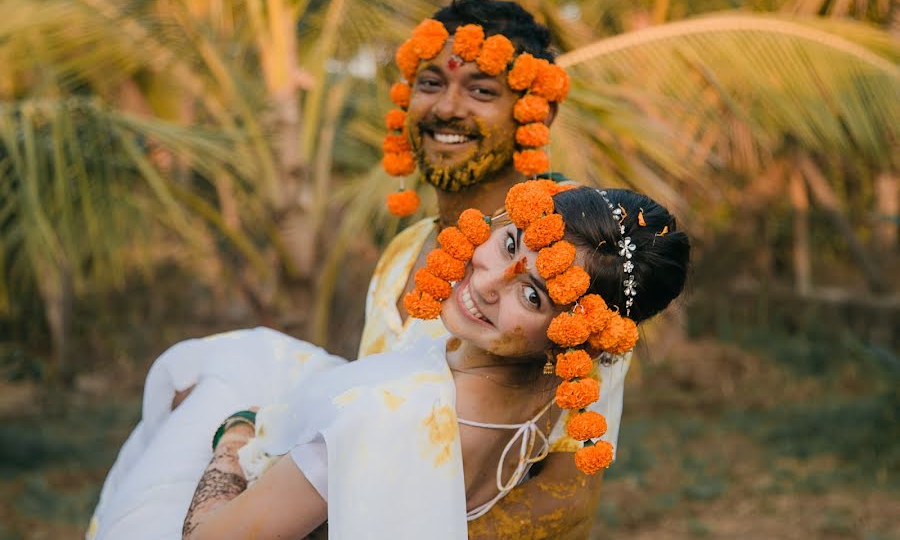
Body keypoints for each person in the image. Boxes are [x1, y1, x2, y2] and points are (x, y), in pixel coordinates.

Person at [88, 180, 688, 539]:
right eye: (510, 243)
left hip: (247, 499)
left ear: (576, 335)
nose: (486, 283)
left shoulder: (385, 418)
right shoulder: (549, 396)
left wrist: (232, 435)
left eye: (532, 294)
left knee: (200, 374)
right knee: (243, 353)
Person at [361, 0, 628, 537]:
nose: (446, 109)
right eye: (431, 83)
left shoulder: (567, 265)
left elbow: (569, 491)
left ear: (536, 111)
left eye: (481, 90)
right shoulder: (402, 249)